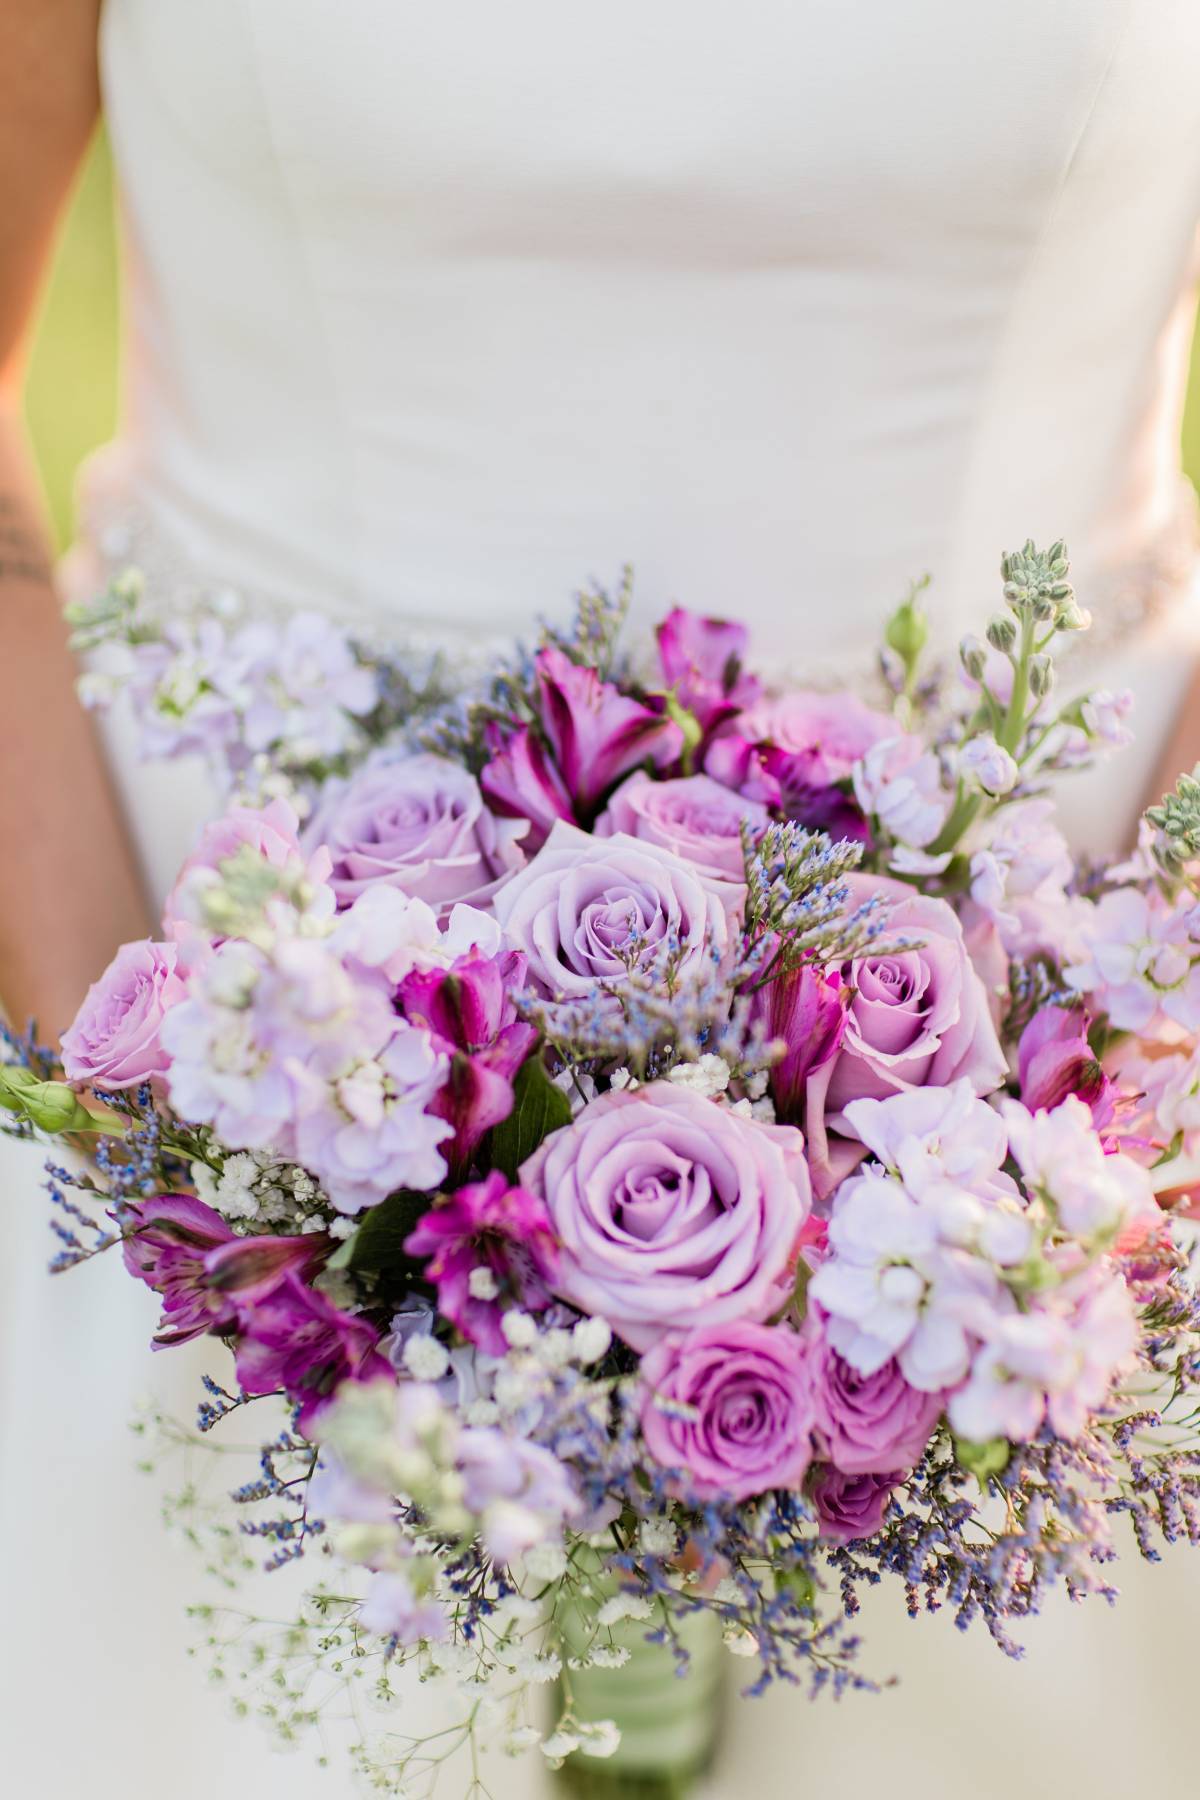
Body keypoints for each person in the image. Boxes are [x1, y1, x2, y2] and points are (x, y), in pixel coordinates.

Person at [3, 4, 1200, 1797]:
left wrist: (1116, 1076)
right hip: (219, 1033)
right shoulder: (172, 1104)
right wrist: (147, 1099)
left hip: (1062, 1130)